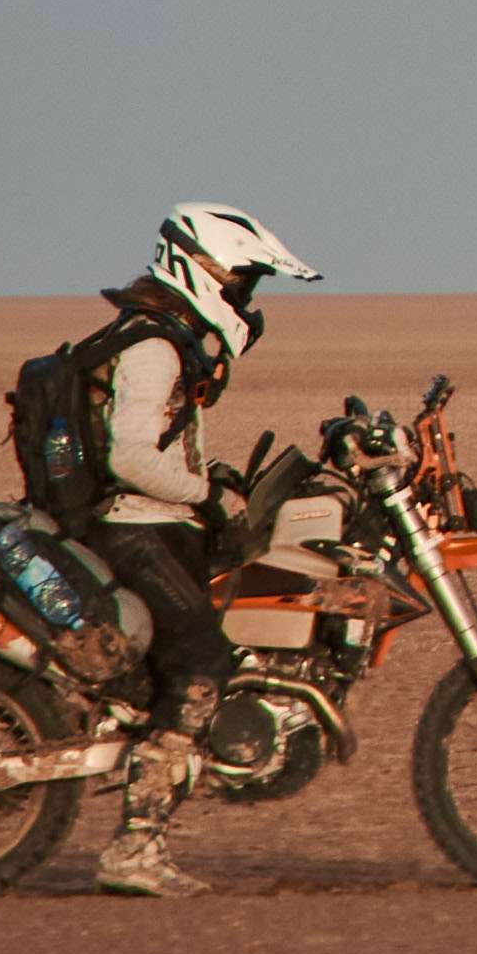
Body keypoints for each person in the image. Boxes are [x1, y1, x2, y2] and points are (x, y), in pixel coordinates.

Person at [76, 201, 316, 899]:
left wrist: (211, 482)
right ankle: (134, 848)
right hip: (135, 526)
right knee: (204, 660)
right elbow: (129, 457)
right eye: (241, 279)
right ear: (199, 269)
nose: (245, 295)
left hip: (157, 521)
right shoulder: (152, 346)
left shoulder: (164, 337)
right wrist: (204, 493)